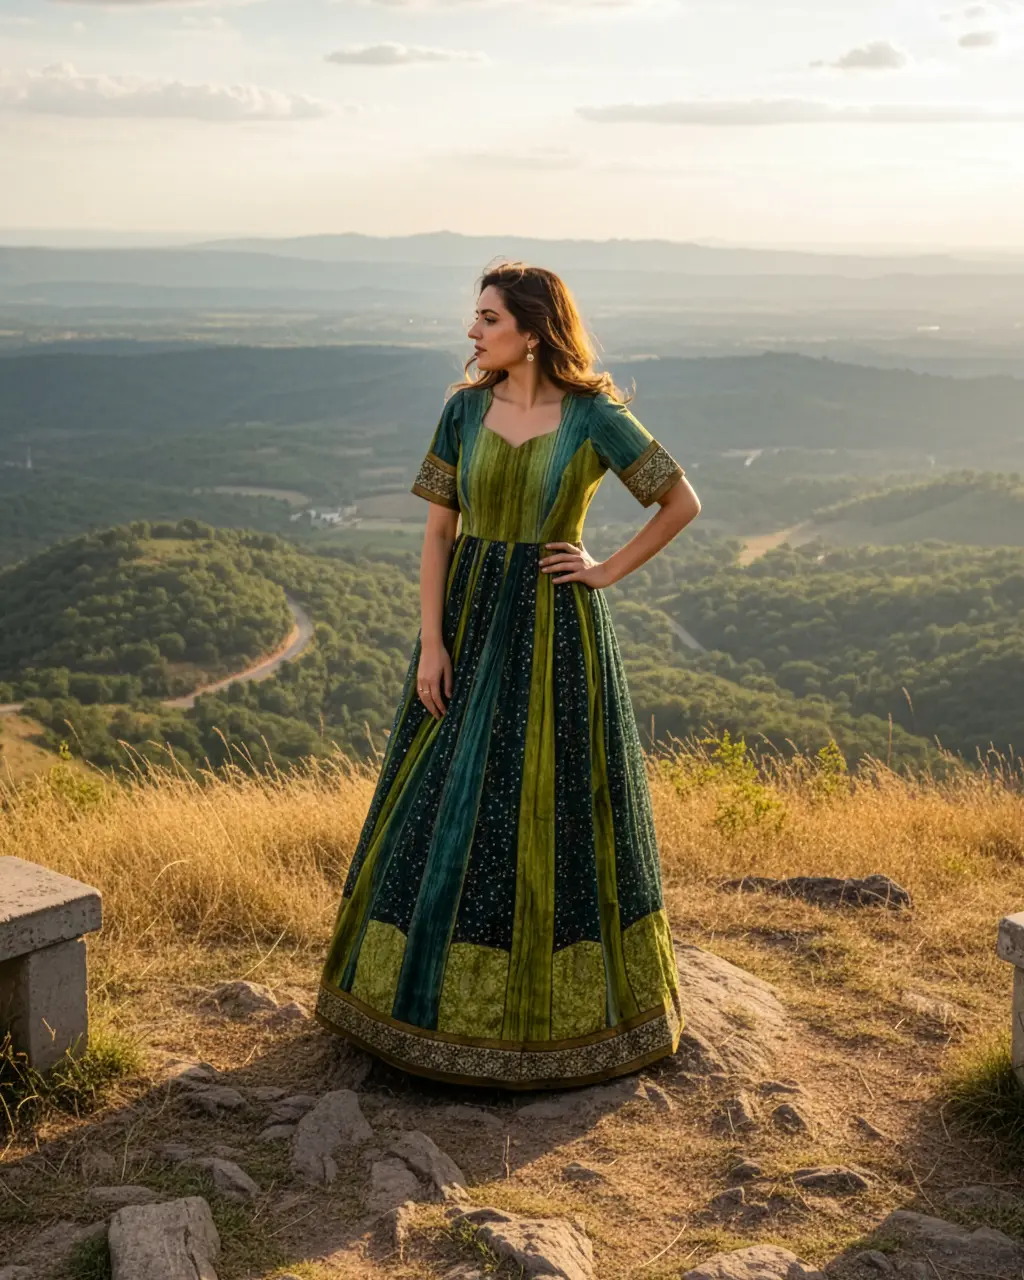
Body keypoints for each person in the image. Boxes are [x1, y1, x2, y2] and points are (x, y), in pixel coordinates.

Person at [316, 260, 702, 1089]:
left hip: (559, 631)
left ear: (533, 330)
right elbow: (436, 538)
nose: (473, 331)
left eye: (488, 318)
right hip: (466, 622)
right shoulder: (461, 412)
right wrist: (431, 643)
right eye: (475, 316)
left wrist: (604, 569)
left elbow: (679, 502)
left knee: (556, 806)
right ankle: (414, 1011)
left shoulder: (596, 417)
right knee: (440, 797)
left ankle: (562, 1027)